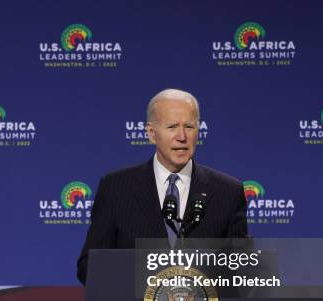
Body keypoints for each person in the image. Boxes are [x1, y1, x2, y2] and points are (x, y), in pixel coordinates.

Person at [77, 89, 248, 284]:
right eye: (172, 126)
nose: (182, 136)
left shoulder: (228, 191)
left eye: (189, 126)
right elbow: (89, 266)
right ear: (151, 133)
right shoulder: (116, 188)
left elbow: (243, 272)